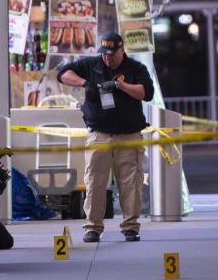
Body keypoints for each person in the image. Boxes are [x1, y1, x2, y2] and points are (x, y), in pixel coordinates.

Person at [56, 31, 154, 243]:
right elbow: (63, 73)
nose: (107, 58)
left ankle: (130, 227)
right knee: (94, 183)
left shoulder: (136, 68)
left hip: (129, 136)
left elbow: (146, 92)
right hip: (99, 134)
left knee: (130, 183)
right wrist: (85, 83)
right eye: (104, 53)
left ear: (122, 49)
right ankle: (93, 227)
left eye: (111, 54)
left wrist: (120, 85)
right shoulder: (92, 64)